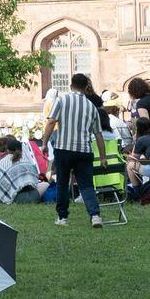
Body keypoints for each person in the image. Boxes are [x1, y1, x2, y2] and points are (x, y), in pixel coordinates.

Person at [43, 73, 104, 227]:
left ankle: (63, 217)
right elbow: (98, 134)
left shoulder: (62, 100)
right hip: (84, 149)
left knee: (63, 183)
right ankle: (95, 215)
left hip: (63, 148)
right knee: (86, 184)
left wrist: (44, 142)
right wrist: (103, 156)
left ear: (71, 86)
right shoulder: (91, 106)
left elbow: (51, 122)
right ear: (86, 88)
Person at [0, 136, 43, 204]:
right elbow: (35, 182)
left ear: (7, 150)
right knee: (45, 184)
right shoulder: (26, 161)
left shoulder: (1, 162)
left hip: (2, 198)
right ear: (21, 149)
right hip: (27, 198)